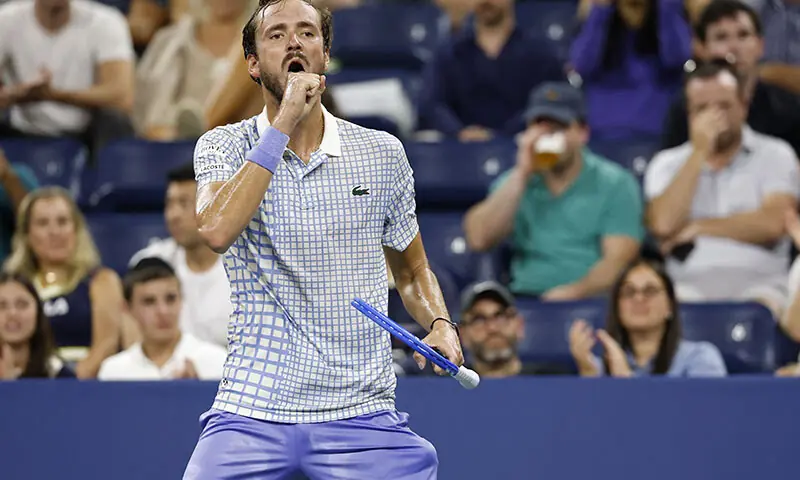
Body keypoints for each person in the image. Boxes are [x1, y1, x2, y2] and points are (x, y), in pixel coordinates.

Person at [183, 1, 464, 479]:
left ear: (325, 54)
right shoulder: (223, 145)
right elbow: (215, 229)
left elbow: (412, 271)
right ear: (252, 64)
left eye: (307, 33)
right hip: (251, 408)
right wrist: (283, 123)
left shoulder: (381, 152)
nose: (294, 42)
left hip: (360, 412)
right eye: (276, 35)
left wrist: (439, 321)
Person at [463, 82, 643, 300]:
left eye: (558, 128)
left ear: (582, 132)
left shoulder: (615, 183)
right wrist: (522, 172)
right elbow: (479, 238)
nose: (547, 137)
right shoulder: (516, 180)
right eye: (540, 127)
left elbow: (617, 261)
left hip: (594, 300)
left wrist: (570, 294)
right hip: (525, 299)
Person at [3, 187, 131, 378]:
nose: (54, 232)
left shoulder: (100, 280)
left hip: (81, 387)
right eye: (43, 223)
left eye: (62, 222)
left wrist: (67, 384)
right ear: (27, 234)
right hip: (23, 385)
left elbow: (106, 345)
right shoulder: (12, 286)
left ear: (76, 229)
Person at [129, 163, 233, 348]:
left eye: (184, 204)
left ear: (214, 206)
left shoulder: (242, 267)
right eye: (169, 204)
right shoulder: (149, 262)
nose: (173, 215)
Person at [569, 259, 727, 377]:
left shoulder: (698, 357)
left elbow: (707, 414)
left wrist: (625, 381)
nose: (638, 299)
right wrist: (588, 373)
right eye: (629, 292)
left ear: (670, 305)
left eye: (650, 291)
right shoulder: (599, 367)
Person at [98, 258, 227, 381]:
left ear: (181, 300)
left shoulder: (217, 362)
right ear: (127, 308)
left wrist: (197, 392)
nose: (163, 311)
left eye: (170, 299)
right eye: (149, 302)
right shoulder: (113, 372)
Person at [0, 271, 75, 379]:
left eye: (22, 305)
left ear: (38, 312)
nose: (12, 313)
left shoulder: (56, 373)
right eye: (2, 306)